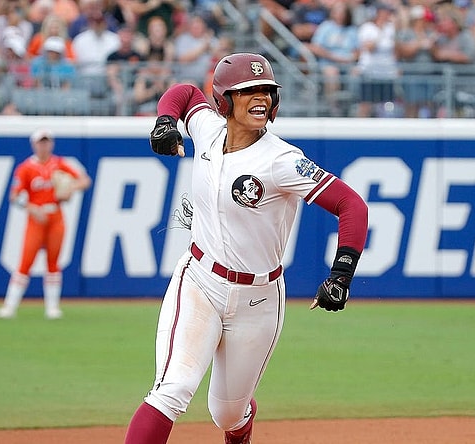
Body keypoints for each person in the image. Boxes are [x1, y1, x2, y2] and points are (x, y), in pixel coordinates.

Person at [123, 52, 368, 444]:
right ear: (223, 100)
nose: (261, 98)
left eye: (267, 90)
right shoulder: (206, 129)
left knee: (228, 412)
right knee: (172, 389)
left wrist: (341, 273)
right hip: (199, 280)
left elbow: (351, 205)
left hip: (259, 297)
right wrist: (166, 119)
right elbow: (184, 93)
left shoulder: (283, 160)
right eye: (247, 90)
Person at [0, 129, 92, 320]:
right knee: (25, 262)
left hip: (55, 216)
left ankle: (52, 308)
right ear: (34, 145)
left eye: (47, 142)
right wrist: (31, 208)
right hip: (36, 218)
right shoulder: (26, 168)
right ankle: (10, 306)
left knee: (53, 263)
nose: (44, 146)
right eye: (41, 142)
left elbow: (85, 181)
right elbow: (14, 196)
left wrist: (68, 188)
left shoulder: (58, 164)